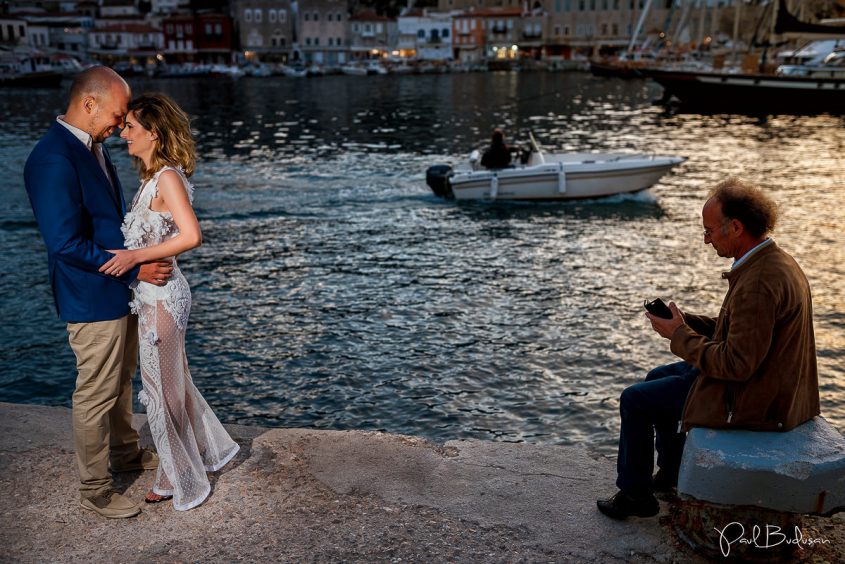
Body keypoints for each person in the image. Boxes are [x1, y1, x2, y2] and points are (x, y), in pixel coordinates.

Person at [597, 177, 820, 520]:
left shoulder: (758, 283)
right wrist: (686, 322)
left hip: (759, 400)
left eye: (710, 231)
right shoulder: (772, 261)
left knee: (635, 399)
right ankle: (671, 473)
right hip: (769, 384)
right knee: (656, 377)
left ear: (735, 227)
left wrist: (678, 336)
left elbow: (737, 364)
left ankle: (634, 495)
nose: (705, 239)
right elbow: (743, 333)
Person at [24, 66, 172, 519]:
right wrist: (134, 271)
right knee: (96, 392)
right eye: (115, 113)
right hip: (92, 294)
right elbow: (65, 243)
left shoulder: (92, 147)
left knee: (120, 381)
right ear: (89, 105)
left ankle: (125, 453)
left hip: (116, 290)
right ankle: (95, 488)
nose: (120, 123)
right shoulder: (53, 157)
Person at [98, 93, 240, 511]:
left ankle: (176, 475)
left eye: (131, 127)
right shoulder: (151, 178)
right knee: (169, 386)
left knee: (164, 392)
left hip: (163, 297)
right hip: (150, 297)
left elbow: (191, 235)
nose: (124, 134)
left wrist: (135, 257)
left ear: (153, 133)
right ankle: (192, 460)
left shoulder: (167, 179)